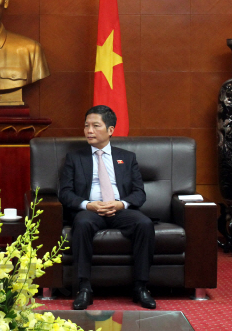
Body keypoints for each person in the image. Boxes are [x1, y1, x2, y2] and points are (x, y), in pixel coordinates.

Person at [58, 105, 156, 310]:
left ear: (110, 130)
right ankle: (84, 288)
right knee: (82, 223)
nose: (89, 131)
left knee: (144, 224)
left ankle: (141, 287)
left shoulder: (127, 158)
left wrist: (121, 204)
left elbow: (139, 193)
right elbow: (65, 193)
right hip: (89, 211)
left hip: (120, 210)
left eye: (95, 126)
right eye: (86, 126)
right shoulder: (74, 158)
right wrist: (89, 205)